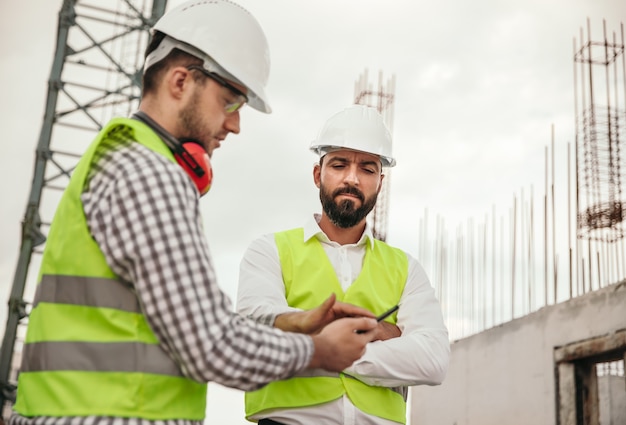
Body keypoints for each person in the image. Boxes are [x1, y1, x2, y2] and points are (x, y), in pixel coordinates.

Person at [10, 2, 380, 424]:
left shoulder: (119, 158)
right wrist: (320, 351)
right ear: (181, 81)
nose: (235, 124)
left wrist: (296, 324)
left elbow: (194, 318)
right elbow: (210, 344)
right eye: (229, 101)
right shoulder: (152, 176)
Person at [236, 105, 451, 425]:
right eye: (339, 164)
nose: (352, 178)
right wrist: (381, 336)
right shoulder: (270, 251)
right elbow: (253, 332)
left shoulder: (406, 268)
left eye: (367, 168)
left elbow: (432, 361)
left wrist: (310, 344)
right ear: (317, 174)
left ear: (380, 182)